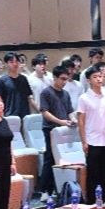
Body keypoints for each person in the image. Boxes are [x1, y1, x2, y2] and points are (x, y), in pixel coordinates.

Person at [77, 63, 105, 204]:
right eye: (95, 77)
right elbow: (81, 121)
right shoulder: (84, 98)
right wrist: (84, 141)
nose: (99, 79)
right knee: (93, 174)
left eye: (100, 76)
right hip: (92, 140)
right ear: (89, 80)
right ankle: (92, 202)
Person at [38, 65, 76, 196]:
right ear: (55, 77)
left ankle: (56, 188)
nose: (64, 82)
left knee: (61, 160)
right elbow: (45, 112)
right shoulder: (46, 92)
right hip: (50, 129)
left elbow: (70, 111)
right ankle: (44, 190)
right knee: (50, 158)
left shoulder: (65, 94)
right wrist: (60, 121)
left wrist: (73, 119)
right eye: (62, 79)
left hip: (63, 130)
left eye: (66, 79)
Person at [0, 52, 37, 118]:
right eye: (11, 62)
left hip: (25, 115)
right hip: (9, 115)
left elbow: (29, 97)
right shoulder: (2, 80)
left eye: (16, 61)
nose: (15, 64)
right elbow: (0, 100)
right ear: (6, 64)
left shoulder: (24, 79)